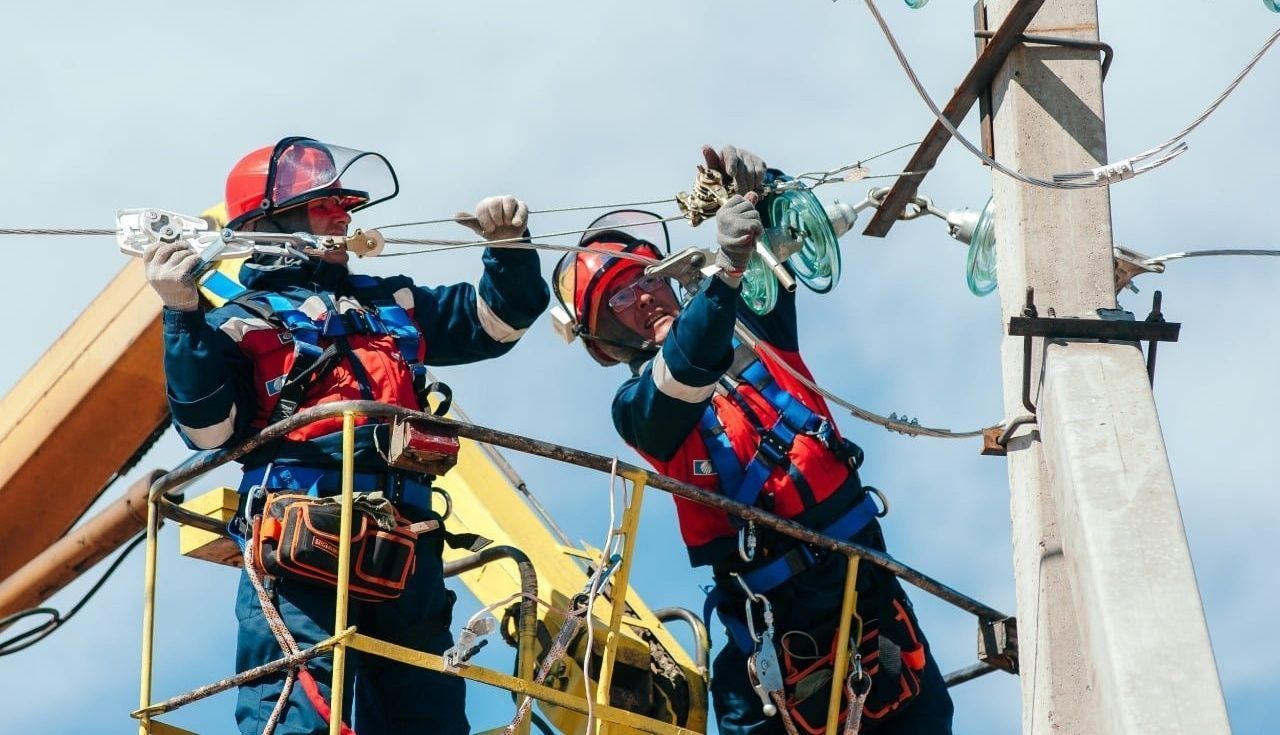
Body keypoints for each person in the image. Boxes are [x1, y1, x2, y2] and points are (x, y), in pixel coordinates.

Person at [142, 136, 549, 735]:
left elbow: (496, 325)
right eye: (323, 205)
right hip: (301, 542)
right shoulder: (234, 322)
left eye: (345, 205)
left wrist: (509, 249)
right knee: (299, 713)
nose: (344, 217)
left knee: (428, 717)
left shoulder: (391, 302)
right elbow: (207, 432)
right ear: (269, 222)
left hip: (407, 544)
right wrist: (180, 314)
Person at [552, 145, 954, 734]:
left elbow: (789, 237)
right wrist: (728, 270)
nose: (643, 295)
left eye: (646, 278)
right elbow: (685, 370)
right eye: (618, 297)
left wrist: (761, 186)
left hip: (866, 590)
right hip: (773, 621)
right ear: (601, 343)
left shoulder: (758, 331)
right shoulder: (638, 408)